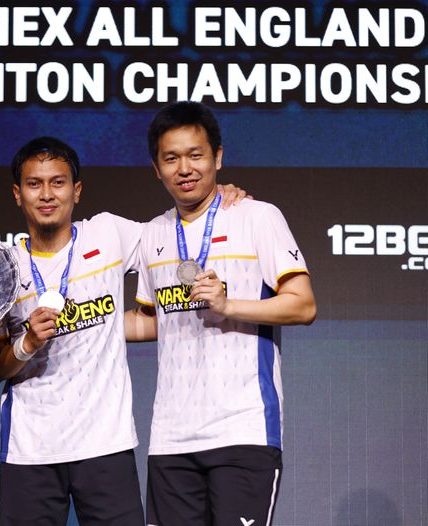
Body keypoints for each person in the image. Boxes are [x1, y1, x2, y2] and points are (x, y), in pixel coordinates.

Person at [0, 136, 246, 526]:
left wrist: (214, 196)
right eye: (35, 184)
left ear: (77, 190)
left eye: (59, 182)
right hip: (30, 449)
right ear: (18, 194)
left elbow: (175, 234)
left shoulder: (108, 234)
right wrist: (27, 343)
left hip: (106, 445)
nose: (47, 194)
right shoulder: (2, 267)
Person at [128, 101, 316, 526]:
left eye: (196, 154)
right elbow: (151, 321)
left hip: (242, 429)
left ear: (218, 157)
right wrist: (75, 323)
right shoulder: (153, 234)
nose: (185, 168)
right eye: (171, 158)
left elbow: (303, 304)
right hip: (171, 437)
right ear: (156, 168)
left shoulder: (257, 216)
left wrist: (229, 305)